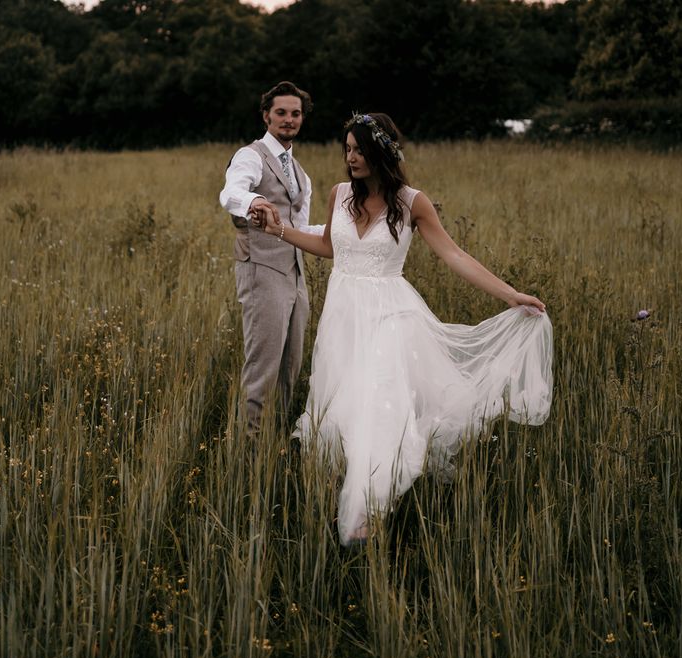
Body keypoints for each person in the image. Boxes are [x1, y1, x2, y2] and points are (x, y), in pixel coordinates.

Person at [258, 113, 553, 545]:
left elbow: (454, 256)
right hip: (343, 321)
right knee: (349, 410)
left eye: (359, 150)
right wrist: (280, 230)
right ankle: (363, 499)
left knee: (380, 408)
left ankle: (366, 514)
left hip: (390, 317)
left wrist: (511, 295)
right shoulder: (340, 194)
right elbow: (328, 247)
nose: (350, 158)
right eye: (347, 149)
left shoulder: (412, 202)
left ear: (382, 152)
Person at [219, 81, 324, 434]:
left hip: (295, 276)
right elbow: (232, 191)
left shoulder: (300, 173)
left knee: (290, 367)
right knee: (262, 366)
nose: (289, 119)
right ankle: (249, 452)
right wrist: (254, 201)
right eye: (281, 112)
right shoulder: (250, 156)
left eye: (296, 113)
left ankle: (275, 445)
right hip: (261, 270)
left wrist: (354, 228)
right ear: (266, 115)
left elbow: (302, 228)